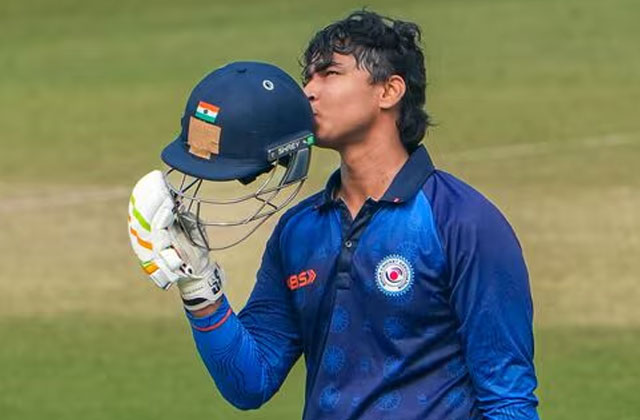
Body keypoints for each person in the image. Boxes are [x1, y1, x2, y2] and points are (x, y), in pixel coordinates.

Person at [128, 10, 540, 420]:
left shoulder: (462, 222)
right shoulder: (299, 231)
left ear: (389, 91)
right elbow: (249, 383)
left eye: (330, 73)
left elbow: (509, 401)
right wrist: (200, 291)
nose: (308, 91)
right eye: (308, 77)